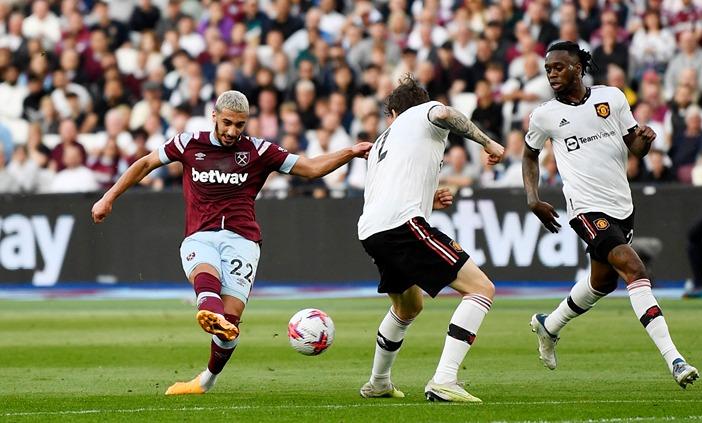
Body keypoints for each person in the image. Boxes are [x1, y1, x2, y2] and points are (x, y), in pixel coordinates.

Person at [91, 91, 372, 395]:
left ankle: (205, 381)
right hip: (201, 235)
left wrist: (351, 152)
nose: (232, 131)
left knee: (230, 325)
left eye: (239, 125)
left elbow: (312, 168)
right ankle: (209, 309)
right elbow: (145, 164)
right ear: (214, 116)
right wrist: (109, 197)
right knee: (206, 278)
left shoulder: (259, 150)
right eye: (227, 123)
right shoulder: (188, 143)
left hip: (243, 241)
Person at [522, 41, 699, 388]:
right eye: (548, 69)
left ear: (579, 66)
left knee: (603, 281)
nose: (552, 74)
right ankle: (675, 359)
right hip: (585, 209)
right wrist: (533, 198)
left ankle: (549, 325)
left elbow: (635, 146)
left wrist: (646, 140)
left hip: (622, 205)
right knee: (634, 268)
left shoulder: (612, 98)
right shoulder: (544, 115)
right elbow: (529, 155)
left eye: (559, 67)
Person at [357, 75, 504, 402]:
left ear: (391, 113)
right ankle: (445, 379)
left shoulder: (383, 140)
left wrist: (427, 199)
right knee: (481, 289)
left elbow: (387, 190)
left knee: (408, 306)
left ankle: (379, 382)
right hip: (401, 224)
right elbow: (444, 114)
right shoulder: (423, 114)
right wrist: (488, 143)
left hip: (371, 230)